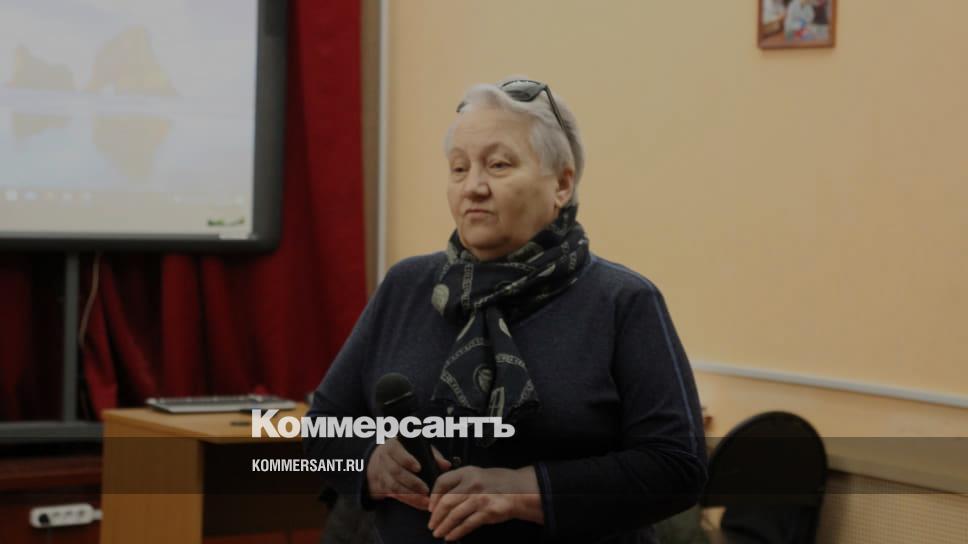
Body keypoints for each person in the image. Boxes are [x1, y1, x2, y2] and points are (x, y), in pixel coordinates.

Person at [304, 77, 707, 543]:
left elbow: (679, 466)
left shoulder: (623, 301)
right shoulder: (406, 286)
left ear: (562, 184)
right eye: (459, 168)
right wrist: (370, 462)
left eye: (498, 165)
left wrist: (525, 491)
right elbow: (322, 430)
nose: (473, 187)